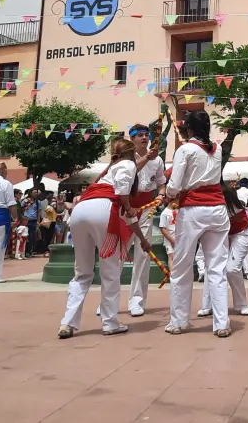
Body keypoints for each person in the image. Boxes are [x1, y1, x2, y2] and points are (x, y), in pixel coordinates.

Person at [59, 137, 152, 339]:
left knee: (82, 272)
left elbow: (127, 215)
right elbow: (122, 197)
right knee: (110, 271)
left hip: (80, 211)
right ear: (131, 153)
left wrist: (142, 239)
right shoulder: (127, 164)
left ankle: (68, 322)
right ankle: (109, 323)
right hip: (103, 210)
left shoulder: (107, 171)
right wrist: (129, 208)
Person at [165, 110, 231, 337]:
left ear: (189, 129)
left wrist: (169, 193)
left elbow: (174, 185)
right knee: (217, 268)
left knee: (182, 266)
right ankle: (221, 323)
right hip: (218, 210)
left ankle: (179, 321)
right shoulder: (218, 148)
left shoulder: (185, 149)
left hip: (192, 209)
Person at [125, 123, 167, 317]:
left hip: (146, 208)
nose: (144, 138)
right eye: (139, 135)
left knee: (143, 256)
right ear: (132, 138)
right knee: (117, 255)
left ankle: (137, 300)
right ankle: (108, 300)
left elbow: (161, 185)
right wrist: (145, 158)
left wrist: (160, 196)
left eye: (146, 135)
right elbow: (130, 171)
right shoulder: (125, 157)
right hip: (125, 208)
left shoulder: (157, 160)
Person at [199, 184, 248, 319]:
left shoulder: (230, 204)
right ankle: (207, 305)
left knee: (232, 269)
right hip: (225, 235)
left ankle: (242, 304)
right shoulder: (213, 204)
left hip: (242, 234)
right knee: (211, 267)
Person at [158, 200, 177, 268]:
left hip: (180, 239)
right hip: (170, 239)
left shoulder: (180, 211)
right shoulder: (165, 213)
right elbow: (163, 228)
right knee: (171, 256)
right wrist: (172, 240)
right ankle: (173, 277)